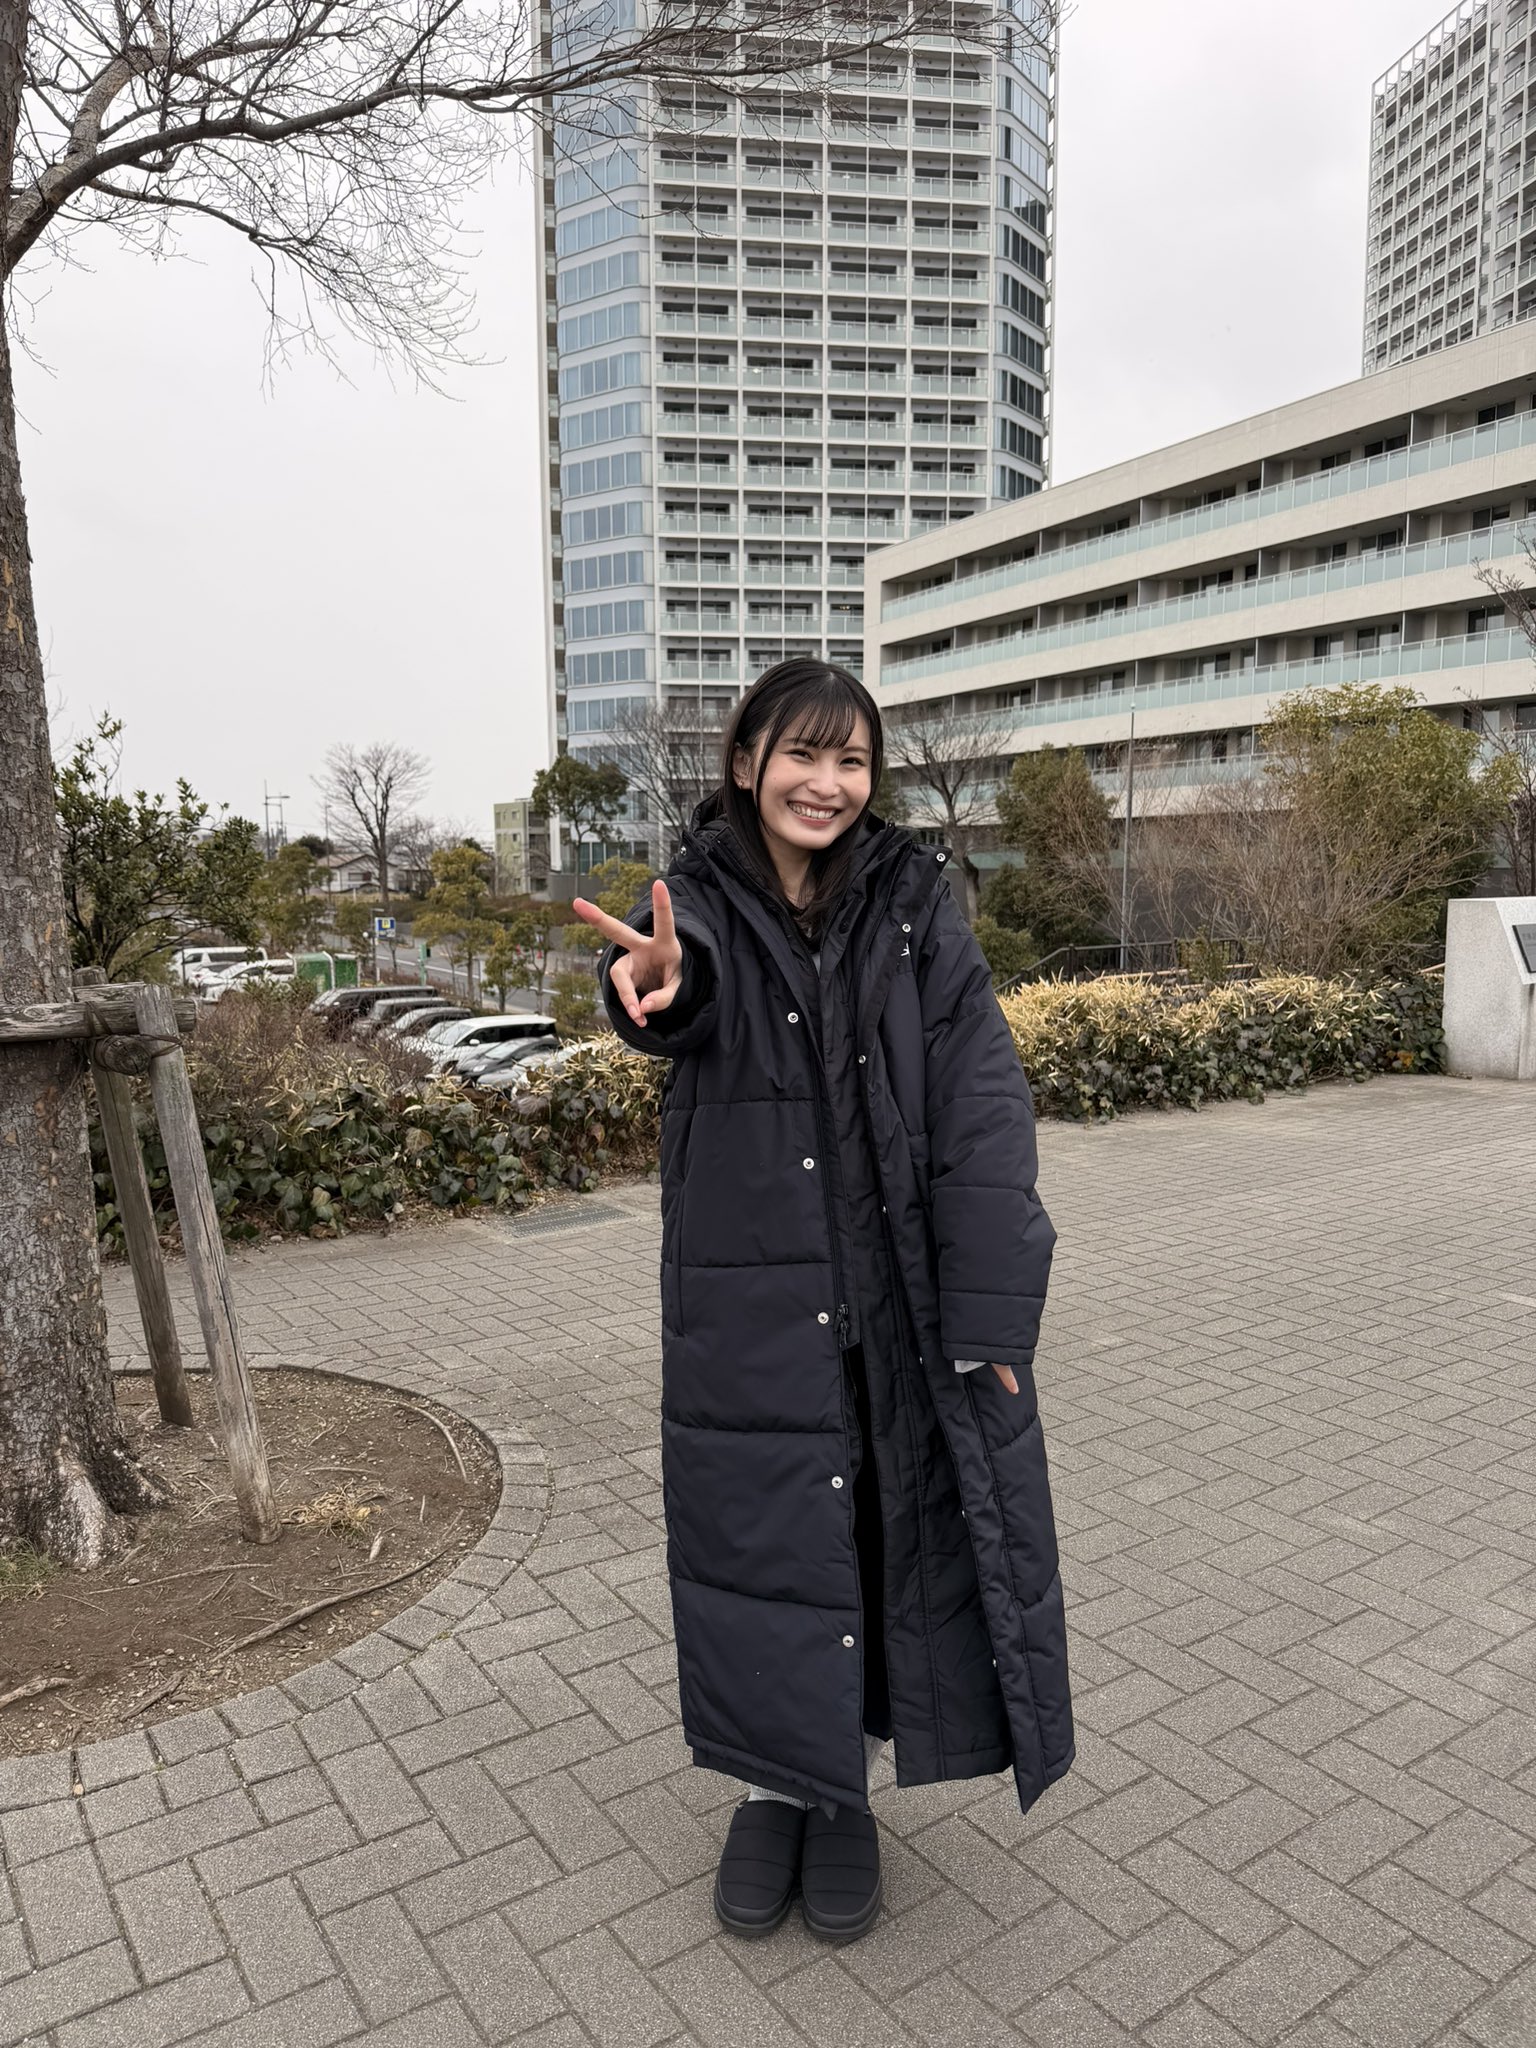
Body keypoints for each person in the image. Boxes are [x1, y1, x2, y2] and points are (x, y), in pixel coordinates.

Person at [571, 658, 1072, 1946]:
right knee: (765, 1549)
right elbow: (675, 992)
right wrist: (659, 990)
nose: (828, 783)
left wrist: (992, 1311)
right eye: (803, 754)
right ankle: (773, 1786)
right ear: (747, 763)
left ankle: (842, 1791)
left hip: (897, 1306)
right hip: (751, 1309)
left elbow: (982, 1095)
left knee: (877, 1538)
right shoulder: (695, 900)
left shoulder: (914, 902)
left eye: (852, 760)